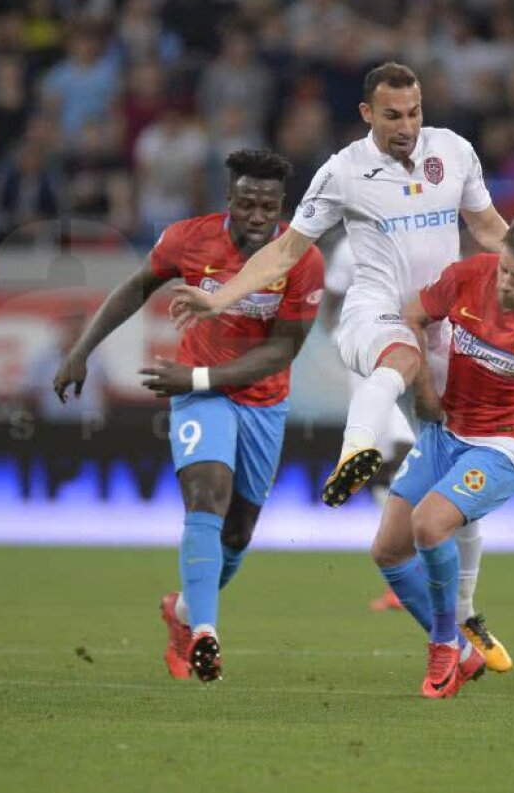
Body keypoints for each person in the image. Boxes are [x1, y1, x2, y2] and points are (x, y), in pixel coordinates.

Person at [172, 61, 514, 664]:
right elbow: (286, 251)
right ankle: (354, 447)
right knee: (399, 354)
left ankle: (466, 616)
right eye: (392, 115)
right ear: (367, 114)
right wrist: (220, 295)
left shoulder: (455, 152)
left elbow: (489, 228)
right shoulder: (341, 171)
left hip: (449, 320)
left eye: (414, 113)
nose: (406, 126)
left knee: (457, 465)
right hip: (377, 310)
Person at [53, 149, 324, 684]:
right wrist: (83, 349)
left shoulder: (302, 258)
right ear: (229, 199)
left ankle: (180, 613)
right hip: (199, 392)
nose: (254, 214)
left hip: (261, 400)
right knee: (207, 495)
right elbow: (136, 286)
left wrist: (195, 379)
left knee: (239, 533)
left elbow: (282, 352)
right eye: (245, 202)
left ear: (281, 207)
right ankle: (205, 632)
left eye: (266, 205)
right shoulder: (188, 239)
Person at [381, 211, 514, 698]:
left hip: (507, 445)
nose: (507, 283)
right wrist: (426, 390)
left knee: (428, 525)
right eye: (505, 269)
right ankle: (463, 646)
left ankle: (445, 646)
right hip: (447, 430)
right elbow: (411, 315)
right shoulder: (469, 276)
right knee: (387, 551)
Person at [323, 231, 512, 671]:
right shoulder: (352, 248)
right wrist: (344, 338)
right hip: (380, 358)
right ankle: (357, 454)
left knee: (452, 486)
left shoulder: (444, 246)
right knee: (397, 456)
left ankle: (462, 614)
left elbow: (497, 243)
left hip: (442, 367)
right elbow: (332, 302)